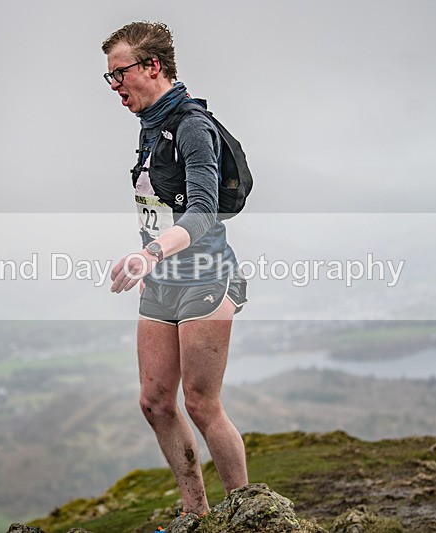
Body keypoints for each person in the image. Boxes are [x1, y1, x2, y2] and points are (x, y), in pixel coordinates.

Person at [102, 21, 248, 518]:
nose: (115, 86)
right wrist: (150, 258)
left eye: (119, 74)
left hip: (206, 277)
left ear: (152, 67)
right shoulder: (149, 128)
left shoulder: (190, 125)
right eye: (110, 78)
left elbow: (203, 211)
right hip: (161, 280)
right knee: (154, 402)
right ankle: (195, 511)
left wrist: (151, 253)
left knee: (202, 404)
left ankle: (247, 514)